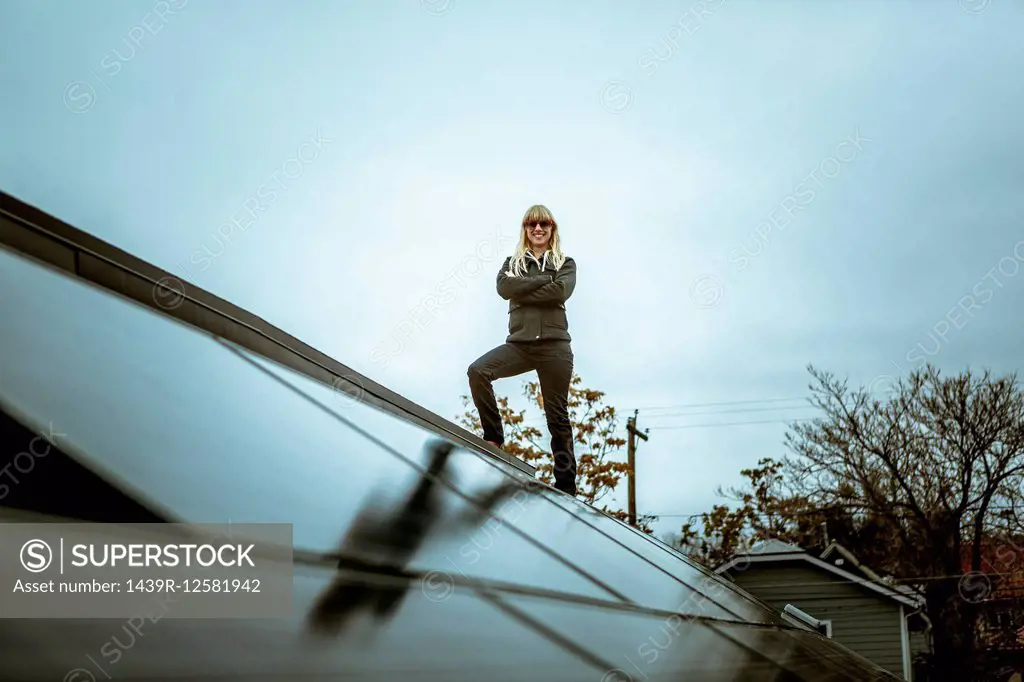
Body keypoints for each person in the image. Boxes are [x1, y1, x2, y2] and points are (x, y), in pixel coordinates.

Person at [467, 204, 578, 496]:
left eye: (544, 224)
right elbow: (505, 288)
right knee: (478, 371)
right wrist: (543, 281)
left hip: (555, 348)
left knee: (557, 417)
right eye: (532, 224)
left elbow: (560, 291)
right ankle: (493, 437)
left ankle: (566, 488)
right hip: (520, 346)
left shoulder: (565, 263)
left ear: (552, 229)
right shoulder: (510, 263)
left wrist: (525, 288)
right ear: (525, 229)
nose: (538, 229)